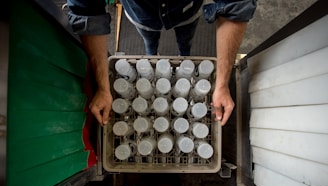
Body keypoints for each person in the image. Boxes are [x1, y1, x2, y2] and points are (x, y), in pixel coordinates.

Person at [67, 0, 257, 126]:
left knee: (186, 40)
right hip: (143, 18)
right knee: (149, 40)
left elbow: (237, 5)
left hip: (187, 12)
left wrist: (222, 84)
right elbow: (87, 12)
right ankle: (153, 55)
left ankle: (184, 57)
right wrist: (102, 86)